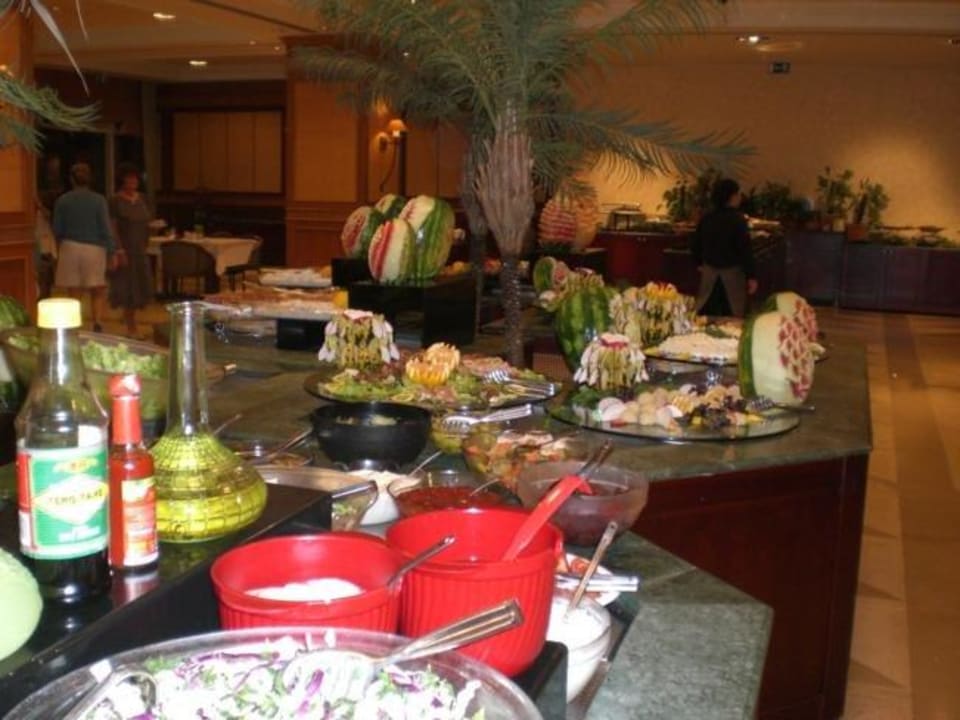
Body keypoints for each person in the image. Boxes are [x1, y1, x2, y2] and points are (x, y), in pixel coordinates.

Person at [52, 162, 117, 331]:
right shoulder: (99, 200)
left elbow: (57, 229)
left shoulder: (63, 200)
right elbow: (105, 228)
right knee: (97, 288)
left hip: (70, 247)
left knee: (74, 290)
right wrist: (112, 251)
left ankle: (75, 323)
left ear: (71, 179)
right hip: (94, 248)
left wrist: (58, 249)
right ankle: (97, 321)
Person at [690, 178, 758, 317]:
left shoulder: (707, 218)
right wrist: (751, 276)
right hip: (732, 278)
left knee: (707, 315)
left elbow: (695, 244)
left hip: (709, 276)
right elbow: (745, 250)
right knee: (732, 317)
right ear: (732, 197)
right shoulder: (738, 220)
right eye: (738, 194)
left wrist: (699, 263)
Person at [108, 164, 154, 337]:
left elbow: (147, 221)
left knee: (140, 287)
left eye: (135, 178)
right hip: (125, 249)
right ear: (122, 180)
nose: (133, 181)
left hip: (141, 249)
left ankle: (131, 321)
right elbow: (113, 226)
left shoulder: (143, 199)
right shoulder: (115, 200)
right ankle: (131, 327)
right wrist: (119, 249)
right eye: (129, 178)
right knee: (128, 289)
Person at [33, 199, 57, 300]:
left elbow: (50, 217)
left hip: (45, 250)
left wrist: (39, 206)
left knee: (46, 280)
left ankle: (45, 299)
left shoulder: (43, 214)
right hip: (35, 249)